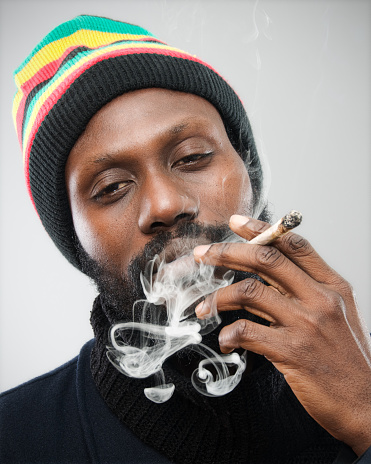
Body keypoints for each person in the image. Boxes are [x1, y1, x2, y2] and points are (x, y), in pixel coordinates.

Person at [0, 14, 370, 464]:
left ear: (249, 169)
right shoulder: (16, 440)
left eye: (193, 157)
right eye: (111, 187)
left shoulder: (362, 394)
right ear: (76, 241)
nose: (164, 204)